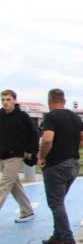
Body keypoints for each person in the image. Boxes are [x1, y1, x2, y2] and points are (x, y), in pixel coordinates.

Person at [38, 88, 83, 244]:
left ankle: (68, 241)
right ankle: (57, 236)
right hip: (73, 165)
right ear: (64, 101)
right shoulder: (74, 117)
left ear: (49, 101)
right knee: (59, 200)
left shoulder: (50, 117)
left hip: (56, 166)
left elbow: (47, 139)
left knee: (56, 203)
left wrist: (42, 157)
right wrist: (71, 149)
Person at [0, 89, 39, 224]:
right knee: (14, 185)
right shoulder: (0, 115)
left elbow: (35, 134)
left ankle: (27, 211)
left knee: (3, 185)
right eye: (3, 100)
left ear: (14, 100)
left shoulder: (22, 117)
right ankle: (27, 211)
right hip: (2, 156)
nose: (5, 102)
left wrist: (30, 151)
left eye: (8, 99)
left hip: (15, 156)